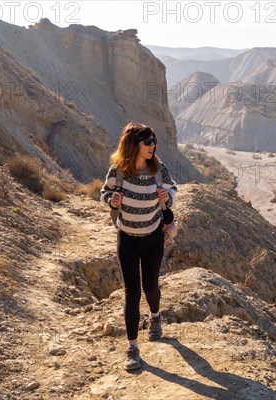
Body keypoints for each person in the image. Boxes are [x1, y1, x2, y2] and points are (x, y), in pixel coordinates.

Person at [100, 122, 177, 371]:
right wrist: (111, 200)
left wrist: (169, 197)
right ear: (134, 145)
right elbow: (104, 192)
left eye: (154, 141)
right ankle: (132, 348)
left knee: (151, 287)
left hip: (153, 238)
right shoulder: (118, 171)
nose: (152, 146)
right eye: (147, 142)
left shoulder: (159, 169)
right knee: (132, 293)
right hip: (127, 240)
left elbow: (173, 187)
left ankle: (155, 317)